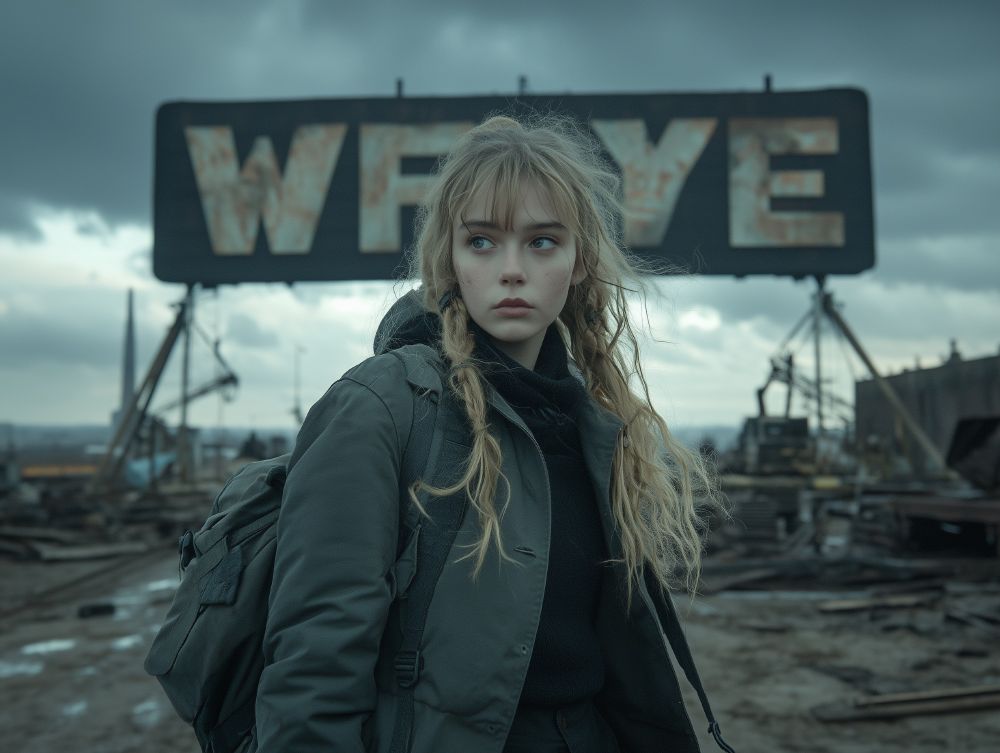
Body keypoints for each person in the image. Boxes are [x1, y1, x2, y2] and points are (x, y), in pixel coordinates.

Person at [252, 113, 728, 753]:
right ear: (448, 259)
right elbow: (314, 664)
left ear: (578, 261)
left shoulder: (596, 426)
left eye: (541, 242)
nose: (511, 270)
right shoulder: (377, 409)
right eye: (482, 242)